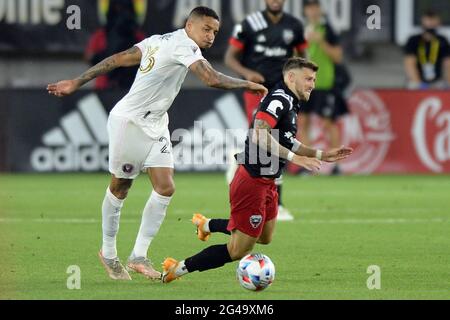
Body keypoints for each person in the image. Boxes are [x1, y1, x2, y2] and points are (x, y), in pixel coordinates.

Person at [47, 7, 267, 281]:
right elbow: (211, 78)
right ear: (190, 26)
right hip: (130, 122)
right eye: (206, 29)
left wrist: (77, 81)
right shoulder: (184, 46)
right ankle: (109, 252)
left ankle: (139, 256)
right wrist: (247, 84)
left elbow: (117, 58)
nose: (211, 36)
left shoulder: (158, 40)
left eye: (215, 32)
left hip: (157, 123)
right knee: (120, 187)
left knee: (165, 187)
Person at [161, 58, 353, 284]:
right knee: (237, 251)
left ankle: (206, 224)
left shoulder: (291, 101)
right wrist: (296, 159)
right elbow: (260, 135)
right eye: (308, 79)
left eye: (314, 79)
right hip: (251, 182)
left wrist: (321, 155)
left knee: (265, 236)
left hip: (268, 181)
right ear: (291, 77)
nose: (312, 84)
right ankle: (177, 268)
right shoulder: (278, 100)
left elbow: (287, 139)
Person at [224, 0, 308, 221]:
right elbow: (229, 58)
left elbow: (302, 58)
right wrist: (247, 73)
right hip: (258, 91)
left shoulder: (295, 25)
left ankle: (270, 199)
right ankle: (276, 204)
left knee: (277, 141)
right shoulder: (250, 23)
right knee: (268, 141)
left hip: (283, 92)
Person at [298, 0, 348, 176]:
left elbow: (338, 57)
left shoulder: (328, 30)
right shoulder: (299, 29)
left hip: (324, 83)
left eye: (315, 6)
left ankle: (337, 167)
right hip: (302, 85)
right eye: (309, 7)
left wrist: (321, 42)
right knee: (302, 122)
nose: (312, 10)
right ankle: (310, 167)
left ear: (320, 9)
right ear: (305, 10)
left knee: (328, 123)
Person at [85, 0, 146, 90]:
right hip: (105, 87)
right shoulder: (101, 35)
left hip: (131, 86)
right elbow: (89, 56)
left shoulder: (138, 36)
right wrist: (105, 57)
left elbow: (148, 57)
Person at [404, 10, 450, 90]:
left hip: (437, 82)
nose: (431, 24)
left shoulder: (442, 40)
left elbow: (447, 63)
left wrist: (448, 82)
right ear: (423, 21)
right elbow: (409, 63)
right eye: (429, 20)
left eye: (433, 21)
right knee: (412, 85)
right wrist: (419, 84)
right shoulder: (414, 40)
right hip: (417, 81)